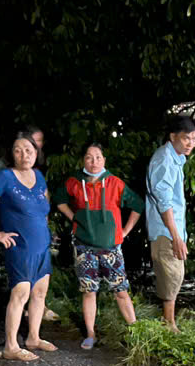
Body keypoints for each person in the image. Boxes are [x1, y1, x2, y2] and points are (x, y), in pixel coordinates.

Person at [0, 132, 56, 362]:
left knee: (39, 293)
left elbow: (44, 207)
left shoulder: (39, 176)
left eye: (28, 150)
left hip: (41, 246)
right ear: (11, 154)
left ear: (36, 152)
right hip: (20, 247)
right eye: (18, 150)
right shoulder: (5, 177)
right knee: (21, 293)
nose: (24, 154)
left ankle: (33, 338)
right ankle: (11, 346)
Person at [60, 141, 143, 349]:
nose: (94, 161)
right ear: (83, 160)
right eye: (89, 157)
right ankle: (90, 334)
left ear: (104, 160)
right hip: (84, 247)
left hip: (111, 248)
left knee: (121, 290)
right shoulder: (74, 182)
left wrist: (124, 231)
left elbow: (138, 205)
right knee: (89, 291)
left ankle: (136, 332)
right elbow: (59, 200)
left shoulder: (115, 183)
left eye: (98, 157)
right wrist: (74, 218)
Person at [145, 115, 195, 332]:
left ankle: (169, 320)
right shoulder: (164, 160)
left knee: (175, 272)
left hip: (172, 227)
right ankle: (168, 322)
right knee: (172, 273)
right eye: (186, 138)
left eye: (194, 139)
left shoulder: (175, 158)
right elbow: (164, 201)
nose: (190, 144)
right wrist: (175, 236)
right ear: (173, 136)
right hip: (165, 229)